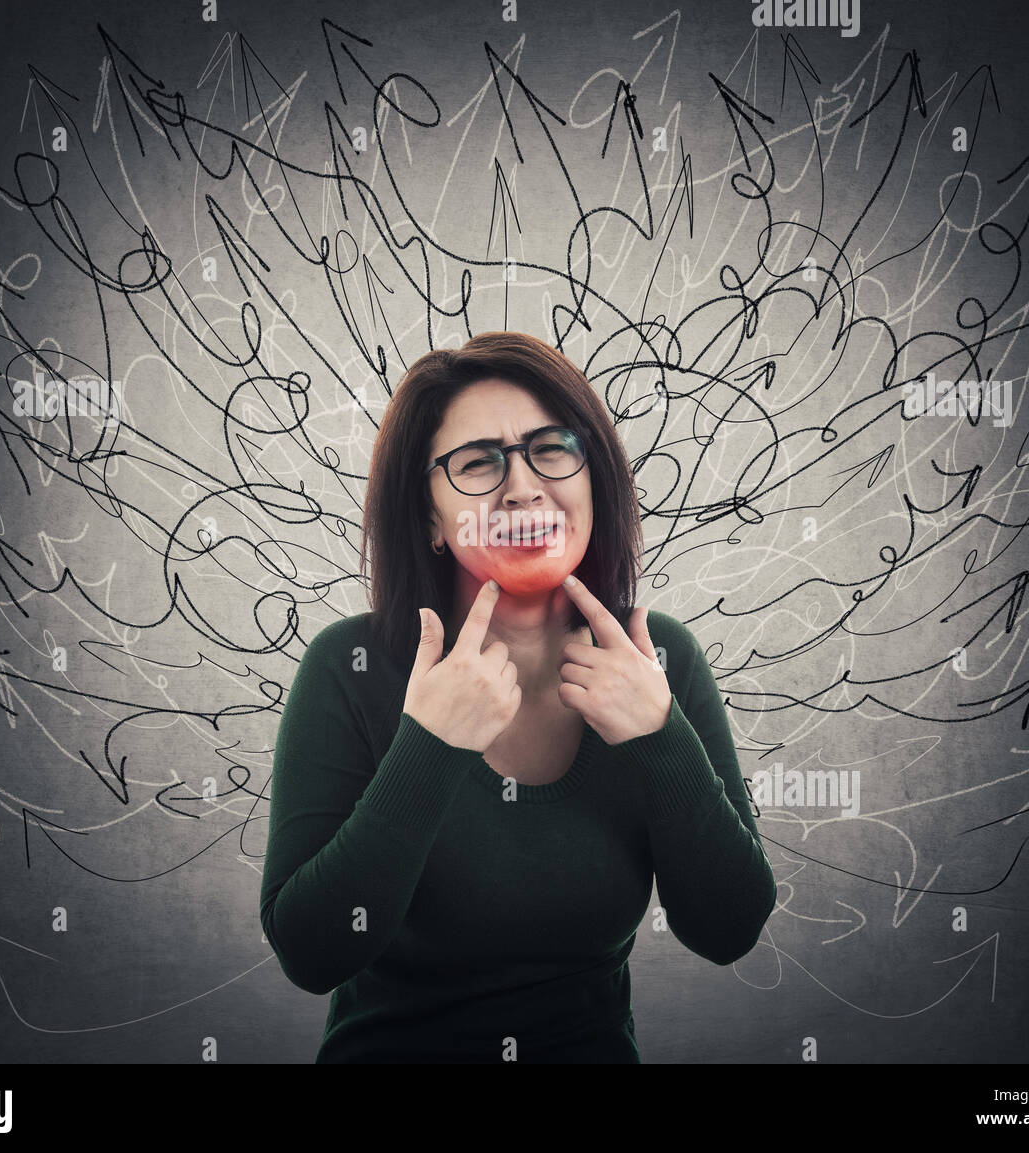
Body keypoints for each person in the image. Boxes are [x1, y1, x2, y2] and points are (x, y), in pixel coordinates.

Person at [259, 331, 776, 1063]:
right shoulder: (353, 665)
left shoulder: (660, 658)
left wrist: (661, 736)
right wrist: (429, 747)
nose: (525, 486)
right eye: (478, 463)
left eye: (552, 448)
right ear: (431, 518)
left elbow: (728, 929)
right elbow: (311, 954)